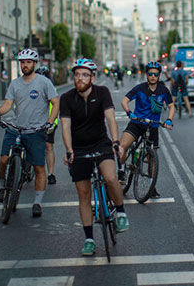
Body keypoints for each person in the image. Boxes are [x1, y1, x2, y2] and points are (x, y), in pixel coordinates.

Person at [60, 58, 129, 256]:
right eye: (76, 75)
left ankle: (121, 212)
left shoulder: (102, 92)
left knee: (110, 177)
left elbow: (110, 119)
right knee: (83, 194)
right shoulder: (66, 98)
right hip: (79, 148)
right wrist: (69, 150)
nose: (79, 78)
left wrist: (115, 142)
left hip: (101, 142)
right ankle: (89, 239)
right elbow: (65, 126)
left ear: (92, 77)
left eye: (84, 75)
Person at [0, 49, 59, 218]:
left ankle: (37, 202)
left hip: (35, 131)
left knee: (39, 168)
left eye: (28, 62)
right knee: (3, 160)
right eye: (22, 62)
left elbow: (55, 103)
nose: (25, 65)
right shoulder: (15, 84)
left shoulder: (44, 82)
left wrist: (50, 122)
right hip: (15, 128)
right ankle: (3, 187)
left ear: (34, 64)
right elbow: (8, 104)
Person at [119, 61, 175, 198]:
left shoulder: (163, 90)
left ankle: (151, 186)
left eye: (155, 74)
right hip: (137, 123)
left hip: (153, 126)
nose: (153, 76)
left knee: (152, 158)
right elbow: (124, 100)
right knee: (122, 146)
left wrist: (169, 119)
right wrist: (129, 112)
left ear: (159, 75)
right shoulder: (140, 88)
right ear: (147, 75)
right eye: (150, 74)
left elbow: (171, 106)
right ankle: (121, 170)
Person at [36, 66, 59, 185]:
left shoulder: (51, 89)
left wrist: (50, 123)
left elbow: (55, 106)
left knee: (48, 146)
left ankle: (50, 174)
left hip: (49, 121)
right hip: (32, 122)